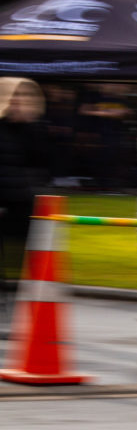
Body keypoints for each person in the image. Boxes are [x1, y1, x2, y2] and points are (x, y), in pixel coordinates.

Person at [0, 77, 51, 285]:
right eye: (15, 95)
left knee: (23, 258)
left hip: (22, 203)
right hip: (4, 201)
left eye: (25, 95)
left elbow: (43, 163)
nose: (19, 100)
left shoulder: (34, 129)